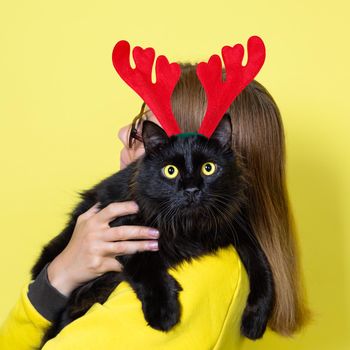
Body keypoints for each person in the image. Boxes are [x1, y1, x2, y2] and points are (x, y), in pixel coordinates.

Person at [0, 64, 311, 349]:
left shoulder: (189, 280)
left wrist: (54, 282)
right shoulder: (226, 255)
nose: (124, 133)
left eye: (143, 128)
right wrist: (64, 269)